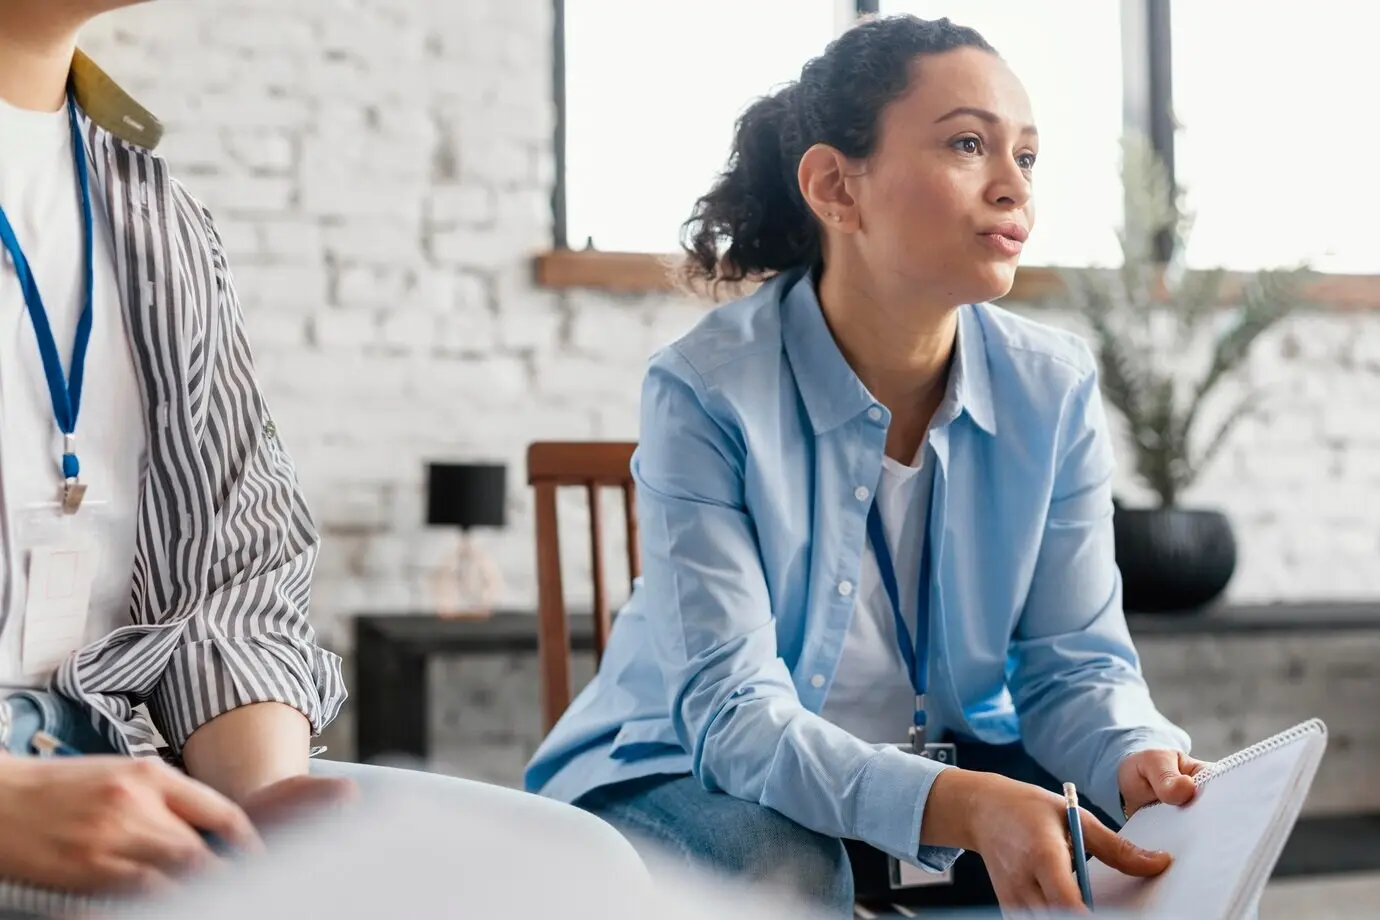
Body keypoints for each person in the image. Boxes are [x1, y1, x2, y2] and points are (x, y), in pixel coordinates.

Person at [525, 14, 1207, 917]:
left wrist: (1136, 753)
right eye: (969, 144)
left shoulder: (1054, 388)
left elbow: (1073, 664)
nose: (1014, 188)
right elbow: (732, 717)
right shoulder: (704, 389)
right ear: (835, 186)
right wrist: (957, 805)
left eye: (1029, 158)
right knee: (792, 874)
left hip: (948, 757)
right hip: (679, 766)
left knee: (1133, 852)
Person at [0, 0, 642, 913]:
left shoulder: (152, 211)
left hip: (123, 764)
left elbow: (229, 572)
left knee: (584, 869)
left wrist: (267, 805)